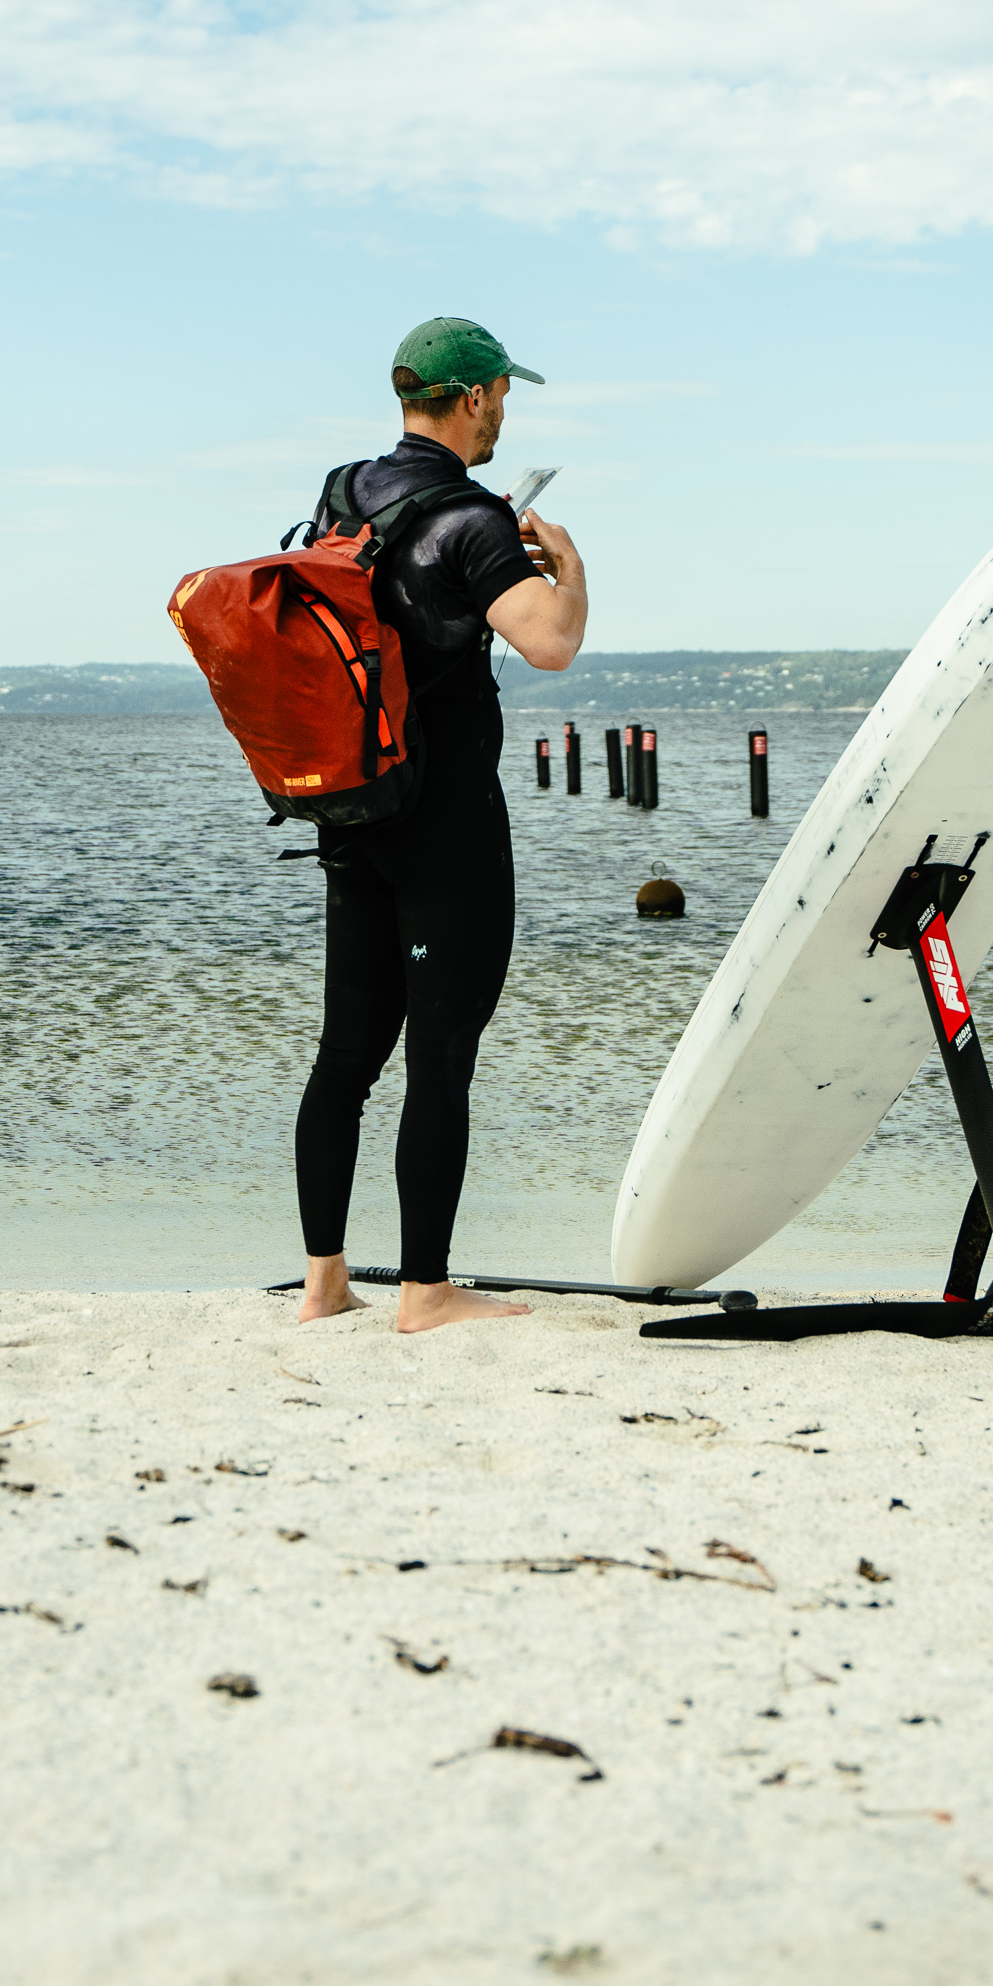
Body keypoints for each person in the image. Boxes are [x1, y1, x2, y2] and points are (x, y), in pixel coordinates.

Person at [296, 317, 587, 1333]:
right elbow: (548, 642)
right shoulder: (472, 519)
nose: (503, 412)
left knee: (345, 1054)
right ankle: (424, 1291)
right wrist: (565, 565)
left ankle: (323, 1282)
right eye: (500, 394)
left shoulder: (343, 493)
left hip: (354, 804)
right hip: (445, 821)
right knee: (441, 1052)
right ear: (471, 398)